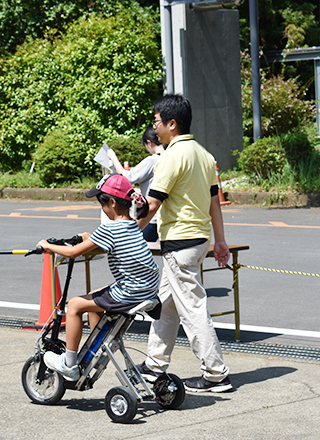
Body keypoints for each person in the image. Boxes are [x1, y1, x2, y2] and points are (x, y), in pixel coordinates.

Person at [136, 94, 233, 393]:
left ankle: (216, 374)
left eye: (157, 121)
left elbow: (152, 205)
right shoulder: (205, 155)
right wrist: (220, 241)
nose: (155, 127)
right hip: (198, 239)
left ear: (172, 124)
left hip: (179, 240)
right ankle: (154, 365)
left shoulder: (171, 157)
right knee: (167, 305)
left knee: (192, 309)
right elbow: (215, 202)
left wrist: (128, 233)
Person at [38, 174, 160, 381]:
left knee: (75, 305)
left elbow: (74, 252)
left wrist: (47, 245)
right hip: (148, 288)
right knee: (93, 296)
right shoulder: (132, 224)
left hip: (131, 291)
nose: (102, 209)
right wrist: (90, 237)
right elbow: (110, 241)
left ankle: (69, 364)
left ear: (112, 202)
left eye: (102, 204)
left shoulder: (109, 229)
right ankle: (97, 347)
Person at [107, 127, 166, 242]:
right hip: (166, 216)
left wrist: (113, 158)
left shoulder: (152, 160)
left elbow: (128, 177)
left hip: (151, 217)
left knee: (134, 248)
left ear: (149, 143)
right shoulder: (170, 158)